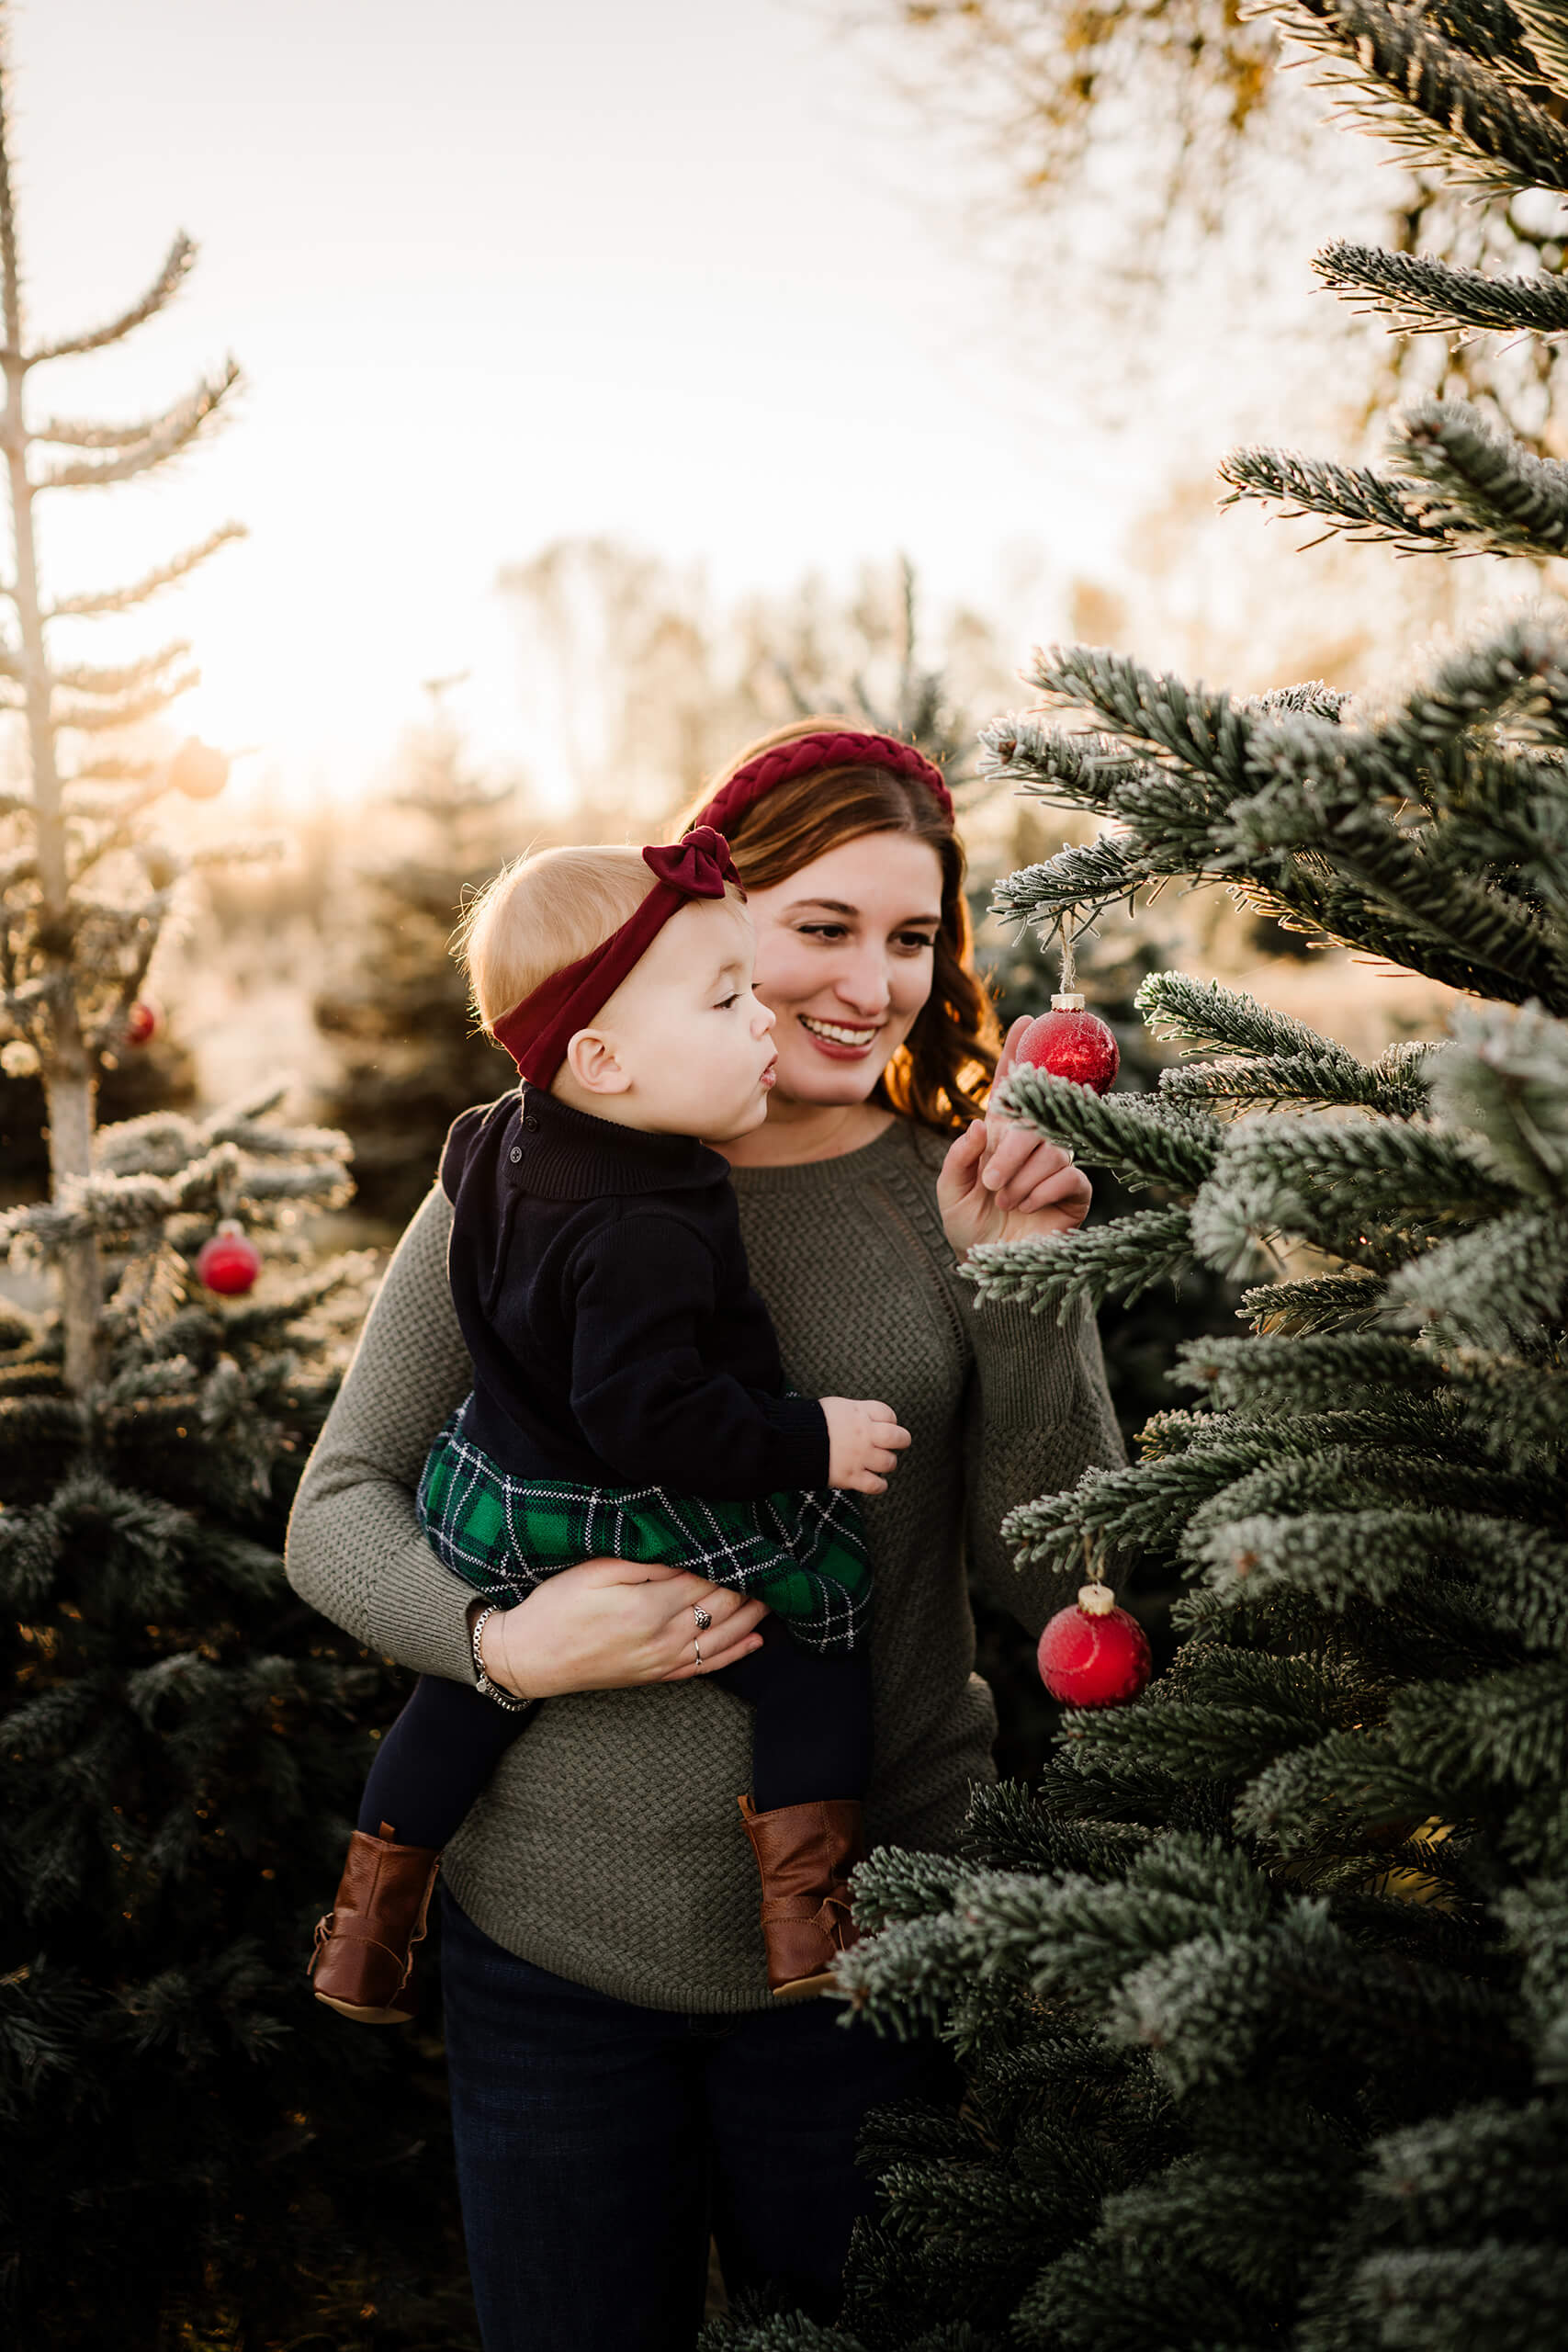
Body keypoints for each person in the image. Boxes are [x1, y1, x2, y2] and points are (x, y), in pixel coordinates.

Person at [285, 718, 1124, 2352]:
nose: (868, 984)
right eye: (821, 929)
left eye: (911, 939)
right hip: (550, 1959)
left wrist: (1026, 1291)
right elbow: (336, 1507)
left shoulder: (942, 1194)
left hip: (872, 1954)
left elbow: (1057, 1591)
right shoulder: (521, 1176)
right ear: (709, 926)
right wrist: (498, 1646)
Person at [308, 825, 908, 2023]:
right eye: (726, 997)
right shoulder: (648, 1222)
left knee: (461, 1702)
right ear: (606, 1058)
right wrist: (812, 1438)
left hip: (499, 1488)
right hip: (628, 1488)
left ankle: (367, 1929)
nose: (761, 1022)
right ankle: (809, 1920)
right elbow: (651, 1418)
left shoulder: (489, 1139)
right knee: (817, 1653)